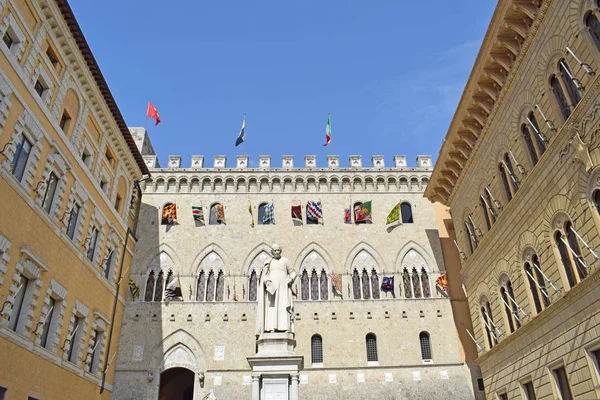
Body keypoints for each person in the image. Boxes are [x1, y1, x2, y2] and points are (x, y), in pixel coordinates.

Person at [256, 244, 296, 334]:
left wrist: (291, 279)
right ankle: (271, 327)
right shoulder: (268, 262)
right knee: (272, 308)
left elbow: (293, 272)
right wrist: (267, 281)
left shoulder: (285, 261)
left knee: (283, 306)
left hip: (283, 287)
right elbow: (264, 276)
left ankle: (286, 327)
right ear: (272, 252)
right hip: (272, 289)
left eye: (278, 250)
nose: (277, 252)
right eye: (275, 250)